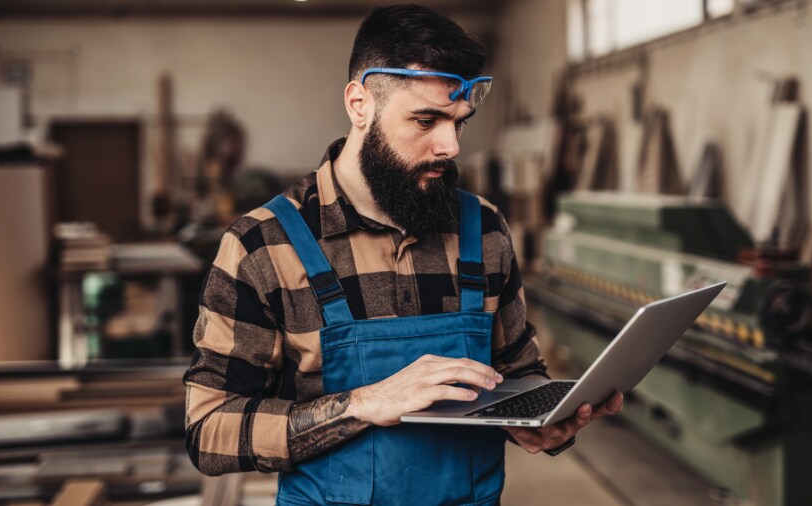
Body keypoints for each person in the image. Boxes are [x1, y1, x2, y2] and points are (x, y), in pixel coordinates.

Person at [183, 4, 623, 505]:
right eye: (426, 119)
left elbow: (519, 372)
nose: (450, 145)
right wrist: (364, 404)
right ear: (359, 104)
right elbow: (209, 431)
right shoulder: (262, 247)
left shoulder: (484, 230)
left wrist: (541, 421)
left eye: (459, 122)